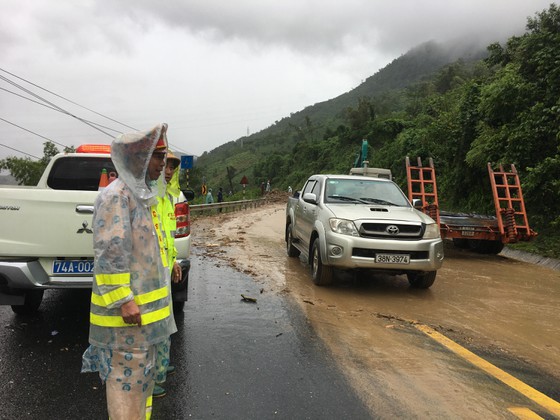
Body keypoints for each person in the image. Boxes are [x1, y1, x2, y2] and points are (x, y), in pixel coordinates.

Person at [81, 123, 176, 420]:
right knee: (126, 387)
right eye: (158, 157)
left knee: (141, 385)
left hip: (145, 319)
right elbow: (110, 253)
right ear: (139, 158)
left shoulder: (142, 194)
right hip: (126, 321)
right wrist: (123, 299)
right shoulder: (117, 196)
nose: (163, 164)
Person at [152, 150, 183, 398]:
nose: (169, 171)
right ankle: (150, 378)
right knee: (154, 324)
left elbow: (167, 235)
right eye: (165, 166)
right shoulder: (150, 196)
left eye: (172, 167)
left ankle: (162, 364)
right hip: (150, 270)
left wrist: (173, 262)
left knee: (165, 319)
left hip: (164, 266)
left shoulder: (168, 198)